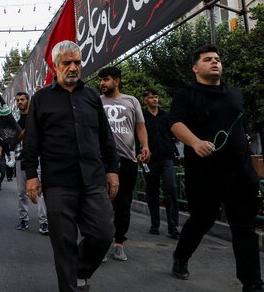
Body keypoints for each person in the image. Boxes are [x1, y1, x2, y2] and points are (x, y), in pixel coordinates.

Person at [23, 40, 119, 292]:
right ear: (55, 66)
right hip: (58, 183)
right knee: (64, 243)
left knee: (103, 234)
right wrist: (31, 176)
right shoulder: (41, 99)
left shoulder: (91, 98)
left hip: (93, 179)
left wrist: (113, 170)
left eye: (77, 62)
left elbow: (105, 138)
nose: (74, 67)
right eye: (67, 63)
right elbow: (31, 143)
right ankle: (70, 285)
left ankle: (79, 272)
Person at [169, 44, 263, 291]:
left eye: (218, 59)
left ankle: (252, 283)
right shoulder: (186, 93)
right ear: (195, 67)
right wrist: (195, 142)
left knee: (244, 229)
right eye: (208, 59)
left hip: (240, 174)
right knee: (202, 220)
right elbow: (176, 123)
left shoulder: (235, 94)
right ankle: (181, 256)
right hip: (205, 174)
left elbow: (240, 126)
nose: (215, 62)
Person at [99, 66, 150, 262]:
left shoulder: (132, 101)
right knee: (102, 205)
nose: (102, 83)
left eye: (106, 79)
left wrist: (144, 146)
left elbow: (140, 126)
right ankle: (102, 244)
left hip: (127, 161)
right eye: (101, 80)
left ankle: (119, 243)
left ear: (117, 81)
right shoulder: (96, 101)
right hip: (102, 161)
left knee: (124, 205)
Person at [142, 88, 181, 239]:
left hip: (167, 158)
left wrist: (176, 152)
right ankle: (155, 223)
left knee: (170, 190)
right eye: (151, 98)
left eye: (156, 97)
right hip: (149, 160)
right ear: (145, 100)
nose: (155, 100)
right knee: (152, 192)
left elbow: (172, 136)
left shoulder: (166, 116)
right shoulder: (142, 118)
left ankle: (173, 227)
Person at [14, 91, 48, 235]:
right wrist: (28, 129)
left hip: (37, 157)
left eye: (22, 99)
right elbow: (14, 138)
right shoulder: (14, 119)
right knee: (22, 193)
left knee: (39, 191)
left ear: (28, 101)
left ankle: (43, 222)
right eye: (18, 100)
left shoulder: (37, 116)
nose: (20, 102)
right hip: (21, 158)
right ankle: (24, 219)